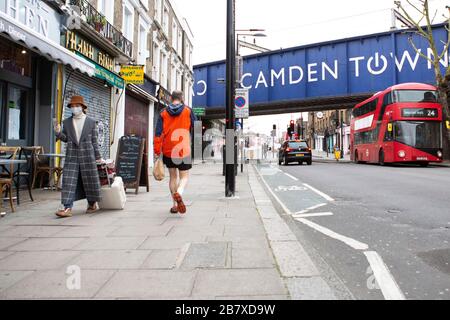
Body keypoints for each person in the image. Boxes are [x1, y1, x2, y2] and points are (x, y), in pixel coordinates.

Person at [54, 95, 103, 218]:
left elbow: (94, 141)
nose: (74, 108)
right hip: (72, 156)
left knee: (90, 181)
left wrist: (98, 157)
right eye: (72, 106)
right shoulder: (67, 122)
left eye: (77, 106)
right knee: (68, 181)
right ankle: (67, 207)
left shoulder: (91, 122)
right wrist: (58, 132)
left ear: (82, 107)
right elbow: (65, 139)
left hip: (88, 156)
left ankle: (92, 204)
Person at [154, 90, 196, 215]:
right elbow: (196, 127)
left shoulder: (163, 113)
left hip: (168, 149)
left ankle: (174, 205)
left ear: (171, 98)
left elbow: (158, 134)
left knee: (173, 177)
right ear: (182, 98)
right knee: (184, 177)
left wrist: (157, 151)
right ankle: (180, 192)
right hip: (183, 148)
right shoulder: (188, 111)